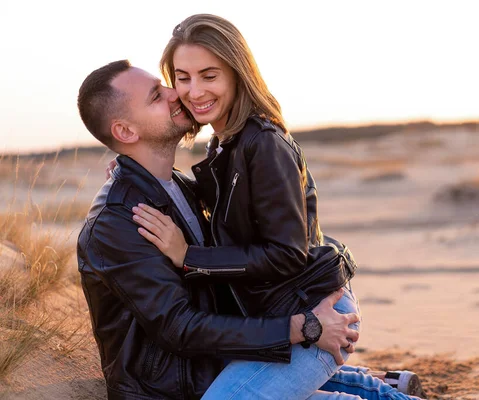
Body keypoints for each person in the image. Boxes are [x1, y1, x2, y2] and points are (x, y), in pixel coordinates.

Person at [77, 59, 424, 399]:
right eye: (156, 95)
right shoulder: (119, 223)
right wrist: (301, 327)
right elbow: (179, 326)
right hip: (170, 386)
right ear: (125, 132)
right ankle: (380, 387)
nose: (175, 93)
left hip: (213, 362)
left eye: (166, 84)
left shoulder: (175, 186)